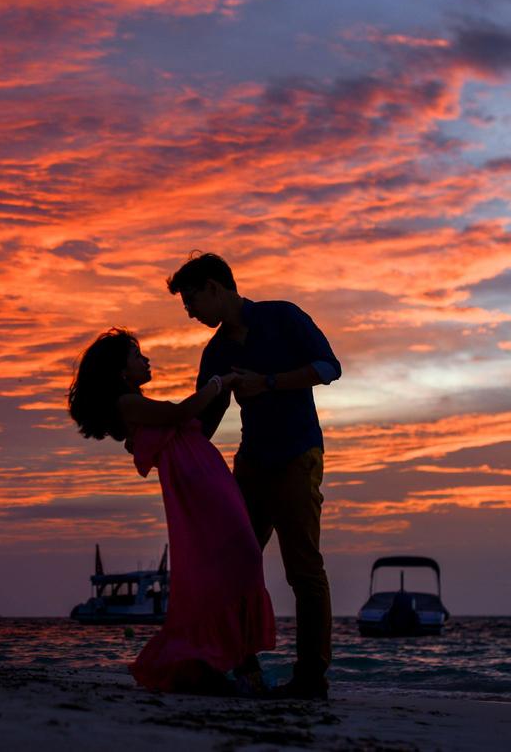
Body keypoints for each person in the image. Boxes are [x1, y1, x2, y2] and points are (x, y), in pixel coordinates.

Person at [166, 253, 341, 699]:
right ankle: (243, 668)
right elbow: (206, 417)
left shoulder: (283, 317)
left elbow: (328, 368)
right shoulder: (217, 351)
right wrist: (169, 449)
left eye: (191, 300)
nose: (189, 312)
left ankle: (311, 677)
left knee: (303, 569)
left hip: (299, 456)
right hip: (251, 464)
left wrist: (268, 382)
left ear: (214, 288)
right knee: (232, 564)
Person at [68, 328, 275, 694]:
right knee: (239, 557)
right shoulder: (126, 404)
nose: (145, 360)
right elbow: (182, 412)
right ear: (120, 371)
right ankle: (232, 665)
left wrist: (220, 390)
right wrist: (218, 381)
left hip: (205, 475)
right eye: (136, 356)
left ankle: (235, 664)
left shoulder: (135, 402)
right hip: (196, 484)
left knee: (236, 560)